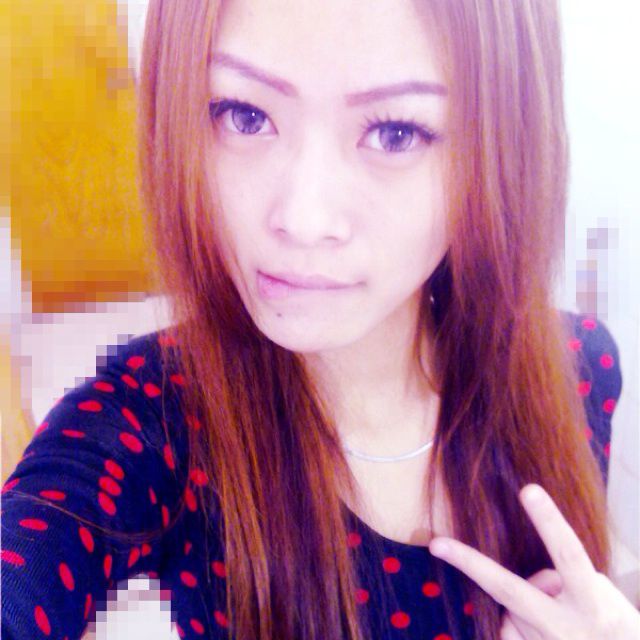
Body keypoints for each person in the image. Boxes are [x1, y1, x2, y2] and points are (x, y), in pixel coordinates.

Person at [2, 0, 638, 638]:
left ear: (502, 149)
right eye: (245, 116)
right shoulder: (152, 418)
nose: (302, 219)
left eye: (395, 133)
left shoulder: (579, 367)